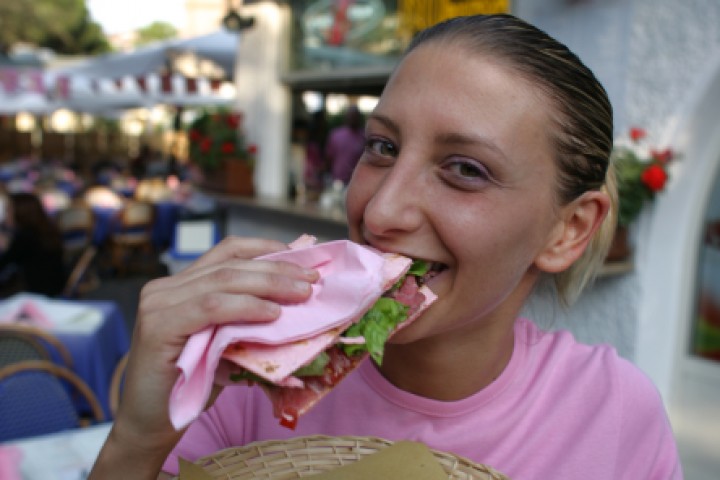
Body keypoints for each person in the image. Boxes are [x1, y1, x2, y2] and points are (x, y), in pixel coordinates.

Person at [89, 14, 682, 480]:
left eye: (466, 169)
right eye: (382, 147)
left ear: (568, 231)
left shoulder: (613, 414)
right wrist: (139, 437)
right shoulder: (245, 374)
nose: (378, 211)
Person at [0, 192, 66, 297]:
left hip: (35, 293)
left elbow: (4, 262)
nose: (6, 214)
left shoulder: (26, 237)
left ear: (21, 212)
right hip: (54, 287)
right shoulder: (47, 229)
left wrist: (5, 247)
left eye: (8, 210)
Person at [325, 104, 365, 185]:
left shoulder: (364, 137)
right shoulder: (336, 135)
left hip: (356, 182)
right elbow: (329, 158)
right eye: (351, 116)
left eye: (355, 116)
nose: (353, 118)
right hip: (337, 181)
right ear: (346, 117)